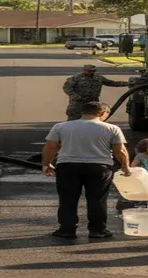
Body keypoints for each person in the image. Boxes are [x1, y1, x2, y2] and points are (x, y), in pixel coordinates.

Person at [41, 101, 131, 239]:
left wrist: (46, 164)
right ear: (102, 113)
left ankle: (67, 229)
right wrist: (125, 167)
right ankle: (97, 230)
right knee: (98, 200)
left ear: (83, 112)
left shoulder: (61, 127)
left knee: (67, 199)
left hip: (68, 166)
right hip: (99, 167)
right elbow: (120, 151)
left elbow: (51, 147)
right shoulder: (112, 128)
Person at [62, 64, 129, 121]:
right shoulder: (76, 78)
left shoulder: (98, 77)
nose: (91, 72)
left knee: (93, 118)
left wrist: (127, 83)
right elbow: (67, 87)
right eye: (89, 71)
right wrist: (75, 96)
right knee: (74, 119)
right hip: (78, 102)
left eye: (93, 71)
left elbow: (111, 83)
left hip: (93, 102)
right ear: (84, 70)